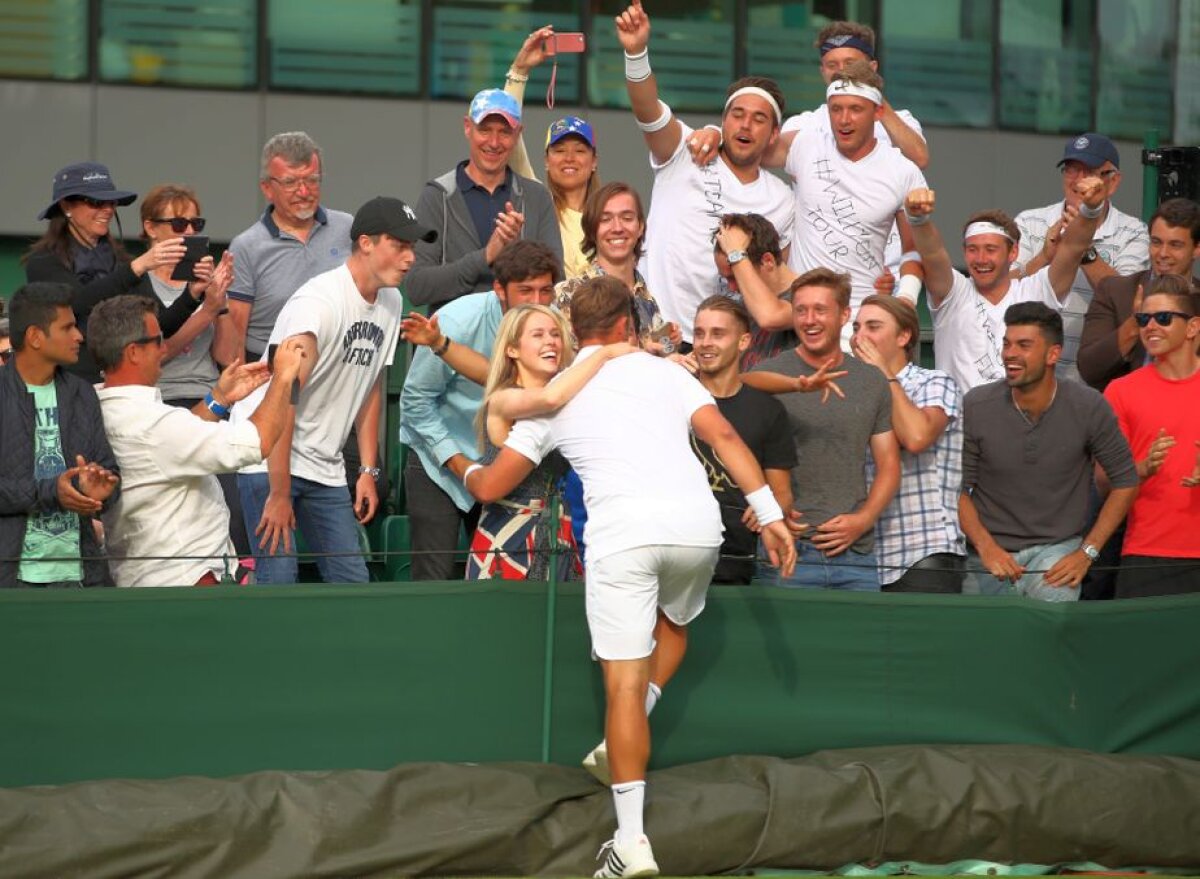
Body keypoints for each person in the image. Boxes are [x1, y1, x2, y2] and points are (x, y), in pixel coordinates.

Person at [450, 275, 797, 878]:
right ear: (625, 326)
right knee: (676, 628)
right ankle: (624, 741)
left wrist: (456, 461)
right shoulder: (669, 373)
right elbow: (722, 435)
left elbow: (493, 485)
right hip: (697, 533)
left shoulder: (556, 393)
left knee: (624, 692)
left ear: (573, 331)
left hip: (624, 543)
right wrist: (769, 514)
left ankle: (632, 843)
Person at [236, 196, 432, 585]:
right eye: (400, 245)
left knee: (353, 585)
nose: (410, 258)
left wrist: (367, 470)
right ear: (366, 243)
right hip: (269, 459)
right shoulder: (318, 303)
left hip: (325, 466)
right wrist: (278, 492)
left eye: (412, 247)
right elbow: (284, 398)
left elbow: (371, 386)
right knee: (278, 583)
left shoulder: (391, 301)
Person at [689, 20, 929, 290]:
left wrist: (869, 92)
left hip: (887, 280)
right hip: (814, 289)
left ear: (872, 66)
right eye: (832, 65)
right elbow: (752, 146)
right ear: (822, 70)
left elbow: (919, 157)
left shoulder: (899, 121)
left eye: (851, 63)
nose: (841, 71)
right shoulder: (805, 128)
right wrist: (715, 132)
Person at [402, 303, 635, 580]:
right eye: (538, 335)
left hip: (558, 537)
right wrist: (605, 353)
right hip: (510, 541)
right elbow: (548, 399)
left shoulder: (568, 391)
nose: (550, 341)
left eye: (555, 334)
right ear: (512, 349)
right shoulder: (504, 397)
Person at [89, 295, 306, 587]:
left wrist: (219, 398)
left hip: (147, 579)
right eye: (158, 341)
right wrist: (283, 377)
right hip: (185, 584)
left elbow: (175, 443)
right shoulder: (152, 423)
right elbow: (256, 442)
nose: (165, 348)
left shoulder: (98, 407)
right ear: (133, 352)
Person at [615, 2, 793, 345]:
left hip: (726, 345)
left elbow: (776, 276)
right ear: (724, 121)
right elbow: (648, 112)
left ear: (773, 135)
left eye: (759, 119)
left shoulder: (782, 199)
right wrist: (636, 53)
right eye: (737, 114)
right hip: (658, 332)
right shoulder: (685, 150)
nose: (745, 124)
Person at [399, 240, 561, 580]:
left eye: (545, 291)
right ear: (500, 289)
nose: (537, 302)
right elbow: (415, 401)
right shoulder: (458, 320)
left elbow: (501, 378)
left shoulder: (553, 327)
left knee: (497, 581)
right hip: (440, 462)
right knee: (434, 581)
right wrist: (459, 463)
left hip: (506, 467)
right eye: (525, 291)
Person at [959, 303, 1138, 600]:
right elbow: (957, 488)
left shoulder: (1088, 406)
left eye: (1024, 345)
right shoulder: (977, 405)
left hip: (1057, 551)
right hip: (988, 553)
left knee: (1050, 624)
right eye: (1007, 344)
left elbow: (1126, 481)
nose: (1010, 354)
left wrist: (1087, 552)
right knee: (983, 642)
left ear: (1053, 354)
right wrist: (986, 546)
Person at [748, 269, 900, 591]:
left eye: (820, 309)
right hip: (788, 547)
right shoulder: (768, 375)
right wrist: (763, 501)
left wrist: (863, 520)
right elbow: (733, 396)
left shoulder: (871, 381)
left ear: (844, 314)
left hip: (854, 554)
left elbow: (889, 465)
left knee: (859, 644)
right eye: (800, 310)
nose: (809, 319)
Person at [905, 178, 1105, 393]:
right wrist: (919, 220)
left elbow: (1074, 247)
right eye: (972, 249)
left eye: (991, 249)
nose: (981, 258)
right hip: (960, 425)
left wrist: (1091, 209)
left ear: (1013, 253)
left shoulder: (1034, 291)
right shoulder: (954, 292)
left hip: (1022, 422)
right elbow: (932, 253)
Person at [23, 161, 202, 383]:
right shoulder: (44, 262)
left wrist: (193, 295)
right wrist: (137, 267)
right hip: (68, 384)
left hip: (118, 386)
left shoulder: (121, 262)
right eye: (95, 202)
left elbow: (157, 325)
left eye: (111, 202)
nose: (107, 210)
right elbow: (76, 302)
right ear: (66, 206)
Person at [0, 282, 120, 588]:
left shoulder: (82, 393)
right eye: (67, 327)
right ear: (35, 337)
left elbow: (108, 472)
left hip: (80, 576)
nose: (79, 336)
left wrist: (100, 491)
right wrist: (54, 492)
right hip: (12, 581)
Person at [406, 89, 563, 312]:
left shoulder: (536, 197)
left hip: (520, 339)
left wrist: (519, 254)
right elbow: (416, 287)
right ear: (467, 127)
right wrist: (486, 256)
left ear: (518, 134)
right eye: (485, 130)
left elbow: (555, 282)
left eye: (505, 132)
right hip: (451, 341)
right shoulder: (438, 195)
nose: (494, 142)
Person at [850, 295, 965, 592]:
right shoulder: (852, 391)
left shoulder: (934, 382)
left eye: (873, 327)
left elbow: (916, 437)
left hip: (923, 552)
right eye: (856, 327)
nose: (860, 337)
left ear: (904, 336)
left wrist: (884, 373)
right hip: (866, 556)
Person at [1013, 133, 1149, 383]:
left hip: (1098, 379)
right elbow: (1005, 288)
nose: (1077, 180)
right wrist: (1044, 256)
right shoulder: (1029, 221)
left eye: (1088, 172)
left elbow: (1127, 301)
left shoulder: (1134, 231)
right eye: (1071, 170)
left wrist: (1080, 246)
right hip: (1033, 376)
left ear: (1113, 181)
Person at [1103, 282, 1200, 597]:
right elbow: (1102, 480)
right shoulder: (1121, 391)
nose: (1151, 326)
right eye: (1144, 319)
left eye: (1164, 318)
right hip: (1145, 554)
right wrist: (1140, 468)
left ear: (1193, 327)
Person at [690, 296, 796, 584]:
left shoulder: (768, 410)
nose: (705, 342)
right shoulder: (674, 397)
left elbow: (783, 493)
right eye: (699, 333)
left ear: (744, 341)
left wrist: (768, 507)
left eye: (718, 333)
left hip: (741, 562)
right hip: (679, 555)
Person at [226, 132, 354, 364]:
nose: (304, 192)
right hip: (270, 369)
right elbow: (236, 335)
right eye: (290, 182)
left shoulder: (348, 229)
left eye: (312, 180)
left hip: (338, 364)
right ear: (267, 188)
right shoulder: (246, 247)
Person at [502, 27, 601, 280]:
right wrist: (519, 72)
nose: (569, 158)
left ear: (593, 162)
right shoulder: (539, 203)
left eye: (579, 150)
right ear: (546, 161)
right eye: (559, 150)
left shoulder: (609, 215)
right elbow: (509, 138)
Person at [1079, 197, 1200, 391]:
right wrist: (1136, 323)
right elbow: (1089, 369)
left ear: (1197, 248)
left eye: (1175, 245)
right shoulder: (1114, 291)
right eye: (1156, 242)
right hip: (1123, 413)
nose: (1162, 253)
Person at [553, 181, 680, 354]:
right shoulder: (568, 294)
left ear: (640, 227)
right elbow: (568, 366)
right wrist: (645, 354)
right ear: (592, 229)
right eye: (605, 219)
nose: (617, 228)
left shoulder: (647, 298)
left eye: (627, 218)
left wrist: (667, 348)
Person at [712, 212, 799, 369]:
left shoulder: (810, 295)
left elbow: (770, 317)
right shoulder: (742, 307)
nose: (731, 288)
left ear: (768, 261)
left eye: (736, 275)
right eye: (727, 279)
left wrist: (736, 254)